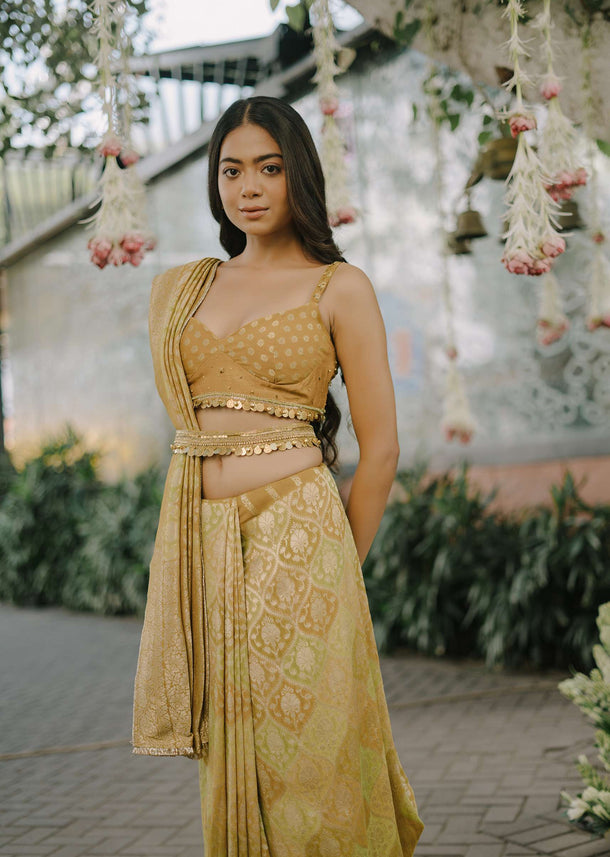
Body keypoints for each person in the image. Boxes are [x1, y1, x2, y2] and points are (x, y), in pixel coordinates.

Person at [132, 95, 423, 856]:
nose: (249, 187)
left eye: (268, 167)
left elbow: (382, 446)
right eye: (232, 171)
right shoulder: (187, 287)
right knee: (234, 750)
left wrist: (340, 572)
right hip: (206, 538)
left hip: (301, 536)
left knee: (309, 749)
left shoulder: (339, 286)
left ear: (300, 174)